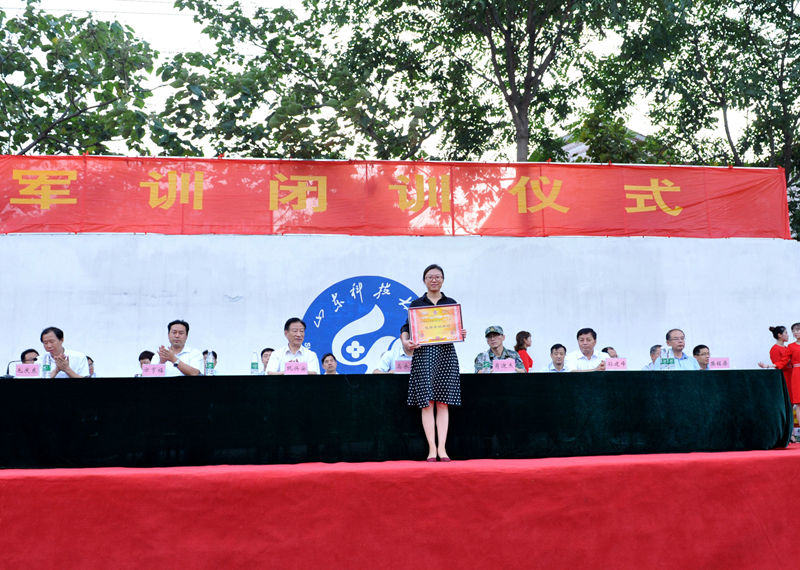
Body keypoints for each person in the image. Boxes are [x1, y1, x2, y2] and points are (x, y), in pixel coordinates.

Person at [400, 264, 466, 462]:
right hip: (423, 356)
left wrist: (460, 332)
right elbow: (406, 327)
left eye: (438, 276)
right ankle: (432, 449)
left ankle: (443, 448)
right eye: (430, 277)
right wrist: (405, 341)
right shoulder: (417, 304)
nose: (434, 280)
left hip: (446, 354)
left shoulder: (450, 303)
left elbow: (455, 328)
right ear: (424, 280)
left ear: (443, 280)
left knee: (443, 403)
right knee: (427, 403)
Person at [758, 326, 793, 397]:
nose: (788, 335)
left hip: (792, 374)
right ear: (779, 335)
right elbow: (778, 365)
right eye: (786, 333)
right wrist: (788, 360)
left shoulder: (787, 348)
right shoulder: (775, 349)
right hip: (785, 376)